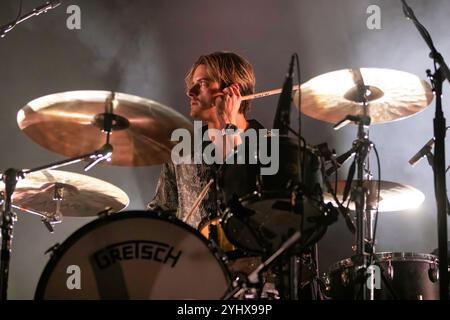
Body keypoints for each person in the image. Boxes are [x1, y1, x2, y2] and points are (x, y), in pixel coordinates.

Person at [148, 51, 264, 231]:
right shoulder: (183, 148)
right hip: (194, 257)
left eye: (202, 83)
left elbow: (249, 195)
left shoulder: (270, 145)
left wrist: (228, 126)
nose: (190, 92)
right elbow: (162, 211)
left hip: (253, 257)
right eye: (192, 84)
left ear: (233, 91)